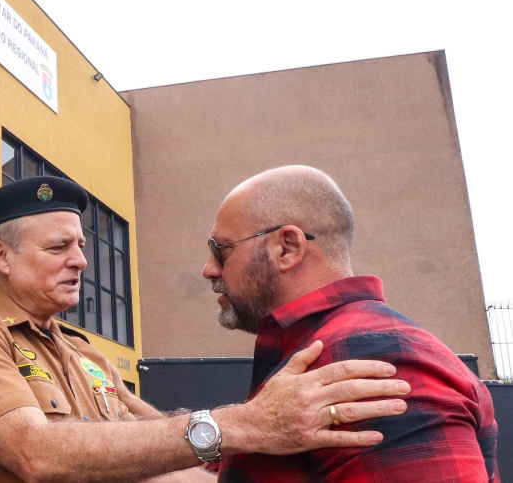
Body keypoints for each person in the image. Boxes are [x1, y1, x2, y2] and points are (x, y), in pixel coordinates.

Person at [0, 175, 412, 482]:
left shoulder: (84, 356)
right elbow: (37, 455)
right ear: (0, 256)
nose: (80, 262)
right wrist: (245, 425)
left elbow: (156, 453)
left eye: (80, 246)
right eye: (58, 249)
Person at [203, 165, 499, 481]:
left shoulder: (375, 356)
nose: (209, 269)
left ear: (286, 248)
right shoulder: (323, 350)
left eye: (221, 250)